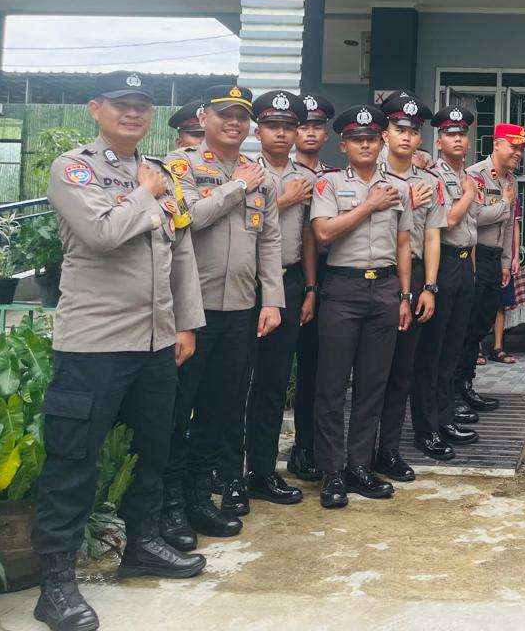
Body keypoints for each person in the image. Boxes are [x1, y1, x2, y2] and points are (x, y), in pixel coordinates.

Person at [32, 72, 206, 631]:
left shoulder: (158, 171)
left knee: (153, 452)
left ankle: (142, 546)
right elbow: (102, 234)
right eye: (122, 104)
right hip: (94, 345)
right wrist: (145, 194)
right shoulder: (74, 169)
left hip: (156, 342)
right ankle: (56, 584)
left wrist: (186, 325)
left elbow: (181, 251)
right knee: (73, 463)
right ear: (95, 108)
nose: (133, 113)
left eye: (142, 106)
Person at [164, 85, 283, 540]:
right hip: (192, 312)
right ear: (204, 118)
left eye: (241, 116)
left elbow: (269, 241)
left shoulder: (259, 174)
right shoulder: (182, 166)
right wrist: (237, 187)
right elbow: (190, 217)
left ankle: (199, 498)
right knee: (179, 410)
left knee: (221, 408)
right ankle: (169, 505)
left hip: (240, 310)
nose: (234, 123)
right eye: (224, 115)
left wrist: (271, 300)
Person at [309, 104, 413, 509]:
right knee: (332, 385)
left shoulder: (399, 187)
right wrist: (368, 205)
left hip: (385, 289)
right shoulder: (329, 184)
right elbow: (323, 233)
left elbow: (403, 244)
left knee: (373, 384)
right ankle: (332, 471)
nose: (365, 145)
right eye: (357, 139)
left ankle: (359, 465)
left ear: (381, 141)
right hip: (343, 289)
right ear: (344, 145)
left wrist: (404, 295)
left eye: (371, 138)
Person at [242, 90, 315, 507]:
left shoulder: (305, 176)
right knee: (235, 382)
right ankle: (225, 471)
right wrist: (283, 200)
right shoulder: (247, 173)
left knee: (273, 382)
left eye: (289, 126)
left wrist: (310, 288)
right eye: (273, 126)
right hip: (245, 286)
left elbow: (307, 236)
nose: (282, 133)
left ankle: (263, 471)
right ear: (259, 131)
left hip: (289, 283)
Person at [373, 91, 444, 483]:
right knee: (370, 371)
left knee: (402, 368)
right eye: (399, 129)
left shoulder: (430, 181)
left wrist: (429, 286)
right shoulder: (367, 173)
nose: (406, 136)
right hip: (373, 274)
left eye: (414, 131)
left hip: (414, 275)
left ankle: (388, 449)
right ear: (385, 133)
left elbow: (432, 236)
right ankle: (358, 451)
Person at [414, 105, 483, 460]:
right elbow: (449, 221)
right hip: (440, 264)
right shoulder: (433, 177)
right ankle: (427, 428)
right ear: (439, 141)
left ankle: (445, 418)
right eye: (450, 134)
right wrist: (469, 195)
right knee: (433, 350)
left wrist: (472, 267)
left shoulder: (467, 175)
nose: (457, 139)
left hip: (464, 264)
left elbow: (471, 230)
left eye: (462, 134)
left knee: (452, 349)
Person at [457, 124, 525, 414]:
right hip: (474, 256)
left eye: (521, 148)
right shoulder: (475, 175)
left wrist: (506, 261)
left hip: (495, 260)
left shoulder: (511, 180)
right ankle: (453, 392)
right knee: (465, 327)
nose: (518, 153)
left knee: (480, 327)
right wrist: (505, 204)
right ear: (497, 144)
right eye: (513, 146)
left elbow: (509, 225)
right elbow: (472, 217)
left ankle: (466, 385)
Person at [285, 91, 334, 483]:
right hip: (287, 276)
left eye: (317, 126)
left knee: (317, 369)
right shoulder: (280, 174)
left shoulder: (333, 177)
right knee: (275, 369)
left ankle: (308, 444)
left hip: (327, 276)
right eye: (303, 126)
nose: (311, 132)